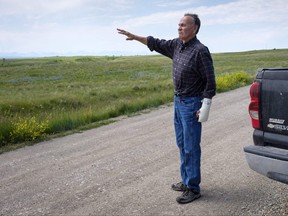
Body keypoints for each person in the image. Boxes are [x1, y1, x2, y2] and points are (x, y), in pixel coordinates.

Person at [117, 13, 216, 204]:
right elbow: (156, 43)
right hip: (178, 102)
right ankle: (186, 181)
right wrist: (136, 36)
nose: (179, 28)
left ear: (194, 28)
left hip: (192, 104)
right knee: (181, 144)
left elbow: (210, 82)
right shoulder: (176, 45)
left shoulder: (200, 51)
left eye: (184, 25)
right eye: (178, 25)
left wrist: (205, 107)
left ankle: (193, 188)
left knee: (191, 146)